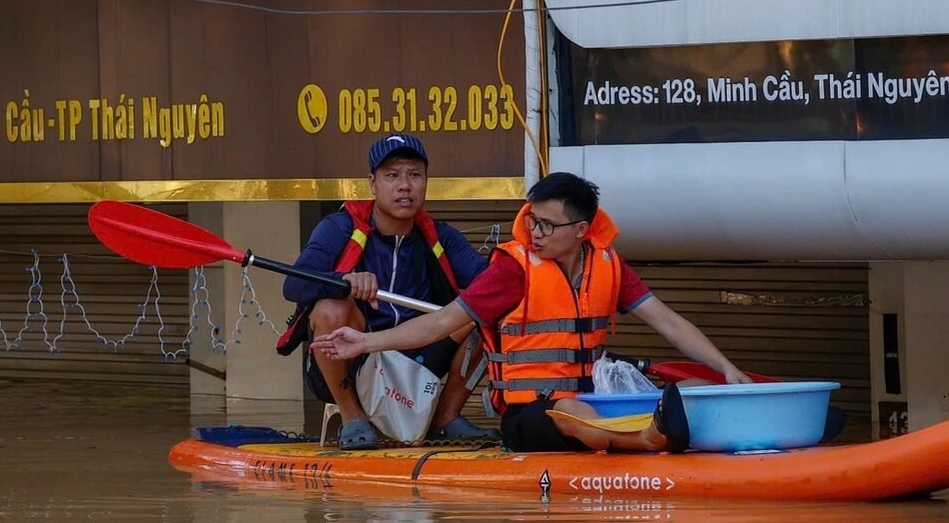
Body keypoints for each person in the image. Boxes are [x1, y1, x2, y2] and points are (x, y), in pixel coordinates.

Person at [311, 172, 752, 454]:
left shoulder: (608, 265)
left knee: (694, 387)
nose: (534, 233)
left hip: (594, 400)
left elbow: (670, 322)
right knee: (573, 412)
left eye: (547, 225)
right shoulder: (513, 269)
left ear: (581, 231)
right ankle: (644, 440)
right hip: (530, 417)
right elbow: (444, 322)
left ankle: (684, 430)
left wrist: (727, 370)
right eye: (532, 220)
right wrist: (367, 341)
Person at [280, 133, 499, 451]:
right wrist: (344, 281)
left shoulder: (441, 236)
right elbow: (293, 286)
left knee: (484, 311)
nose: (405, 186)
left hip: (421, 355)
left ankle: (445, 418)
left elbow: (489, 284)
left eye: (414, 175)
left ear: (426, 181)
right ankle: (353, 417)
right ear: (372, 183)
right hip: (354, 360)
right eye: (392, 175)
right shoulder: (339, 227)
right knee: (330, 308)